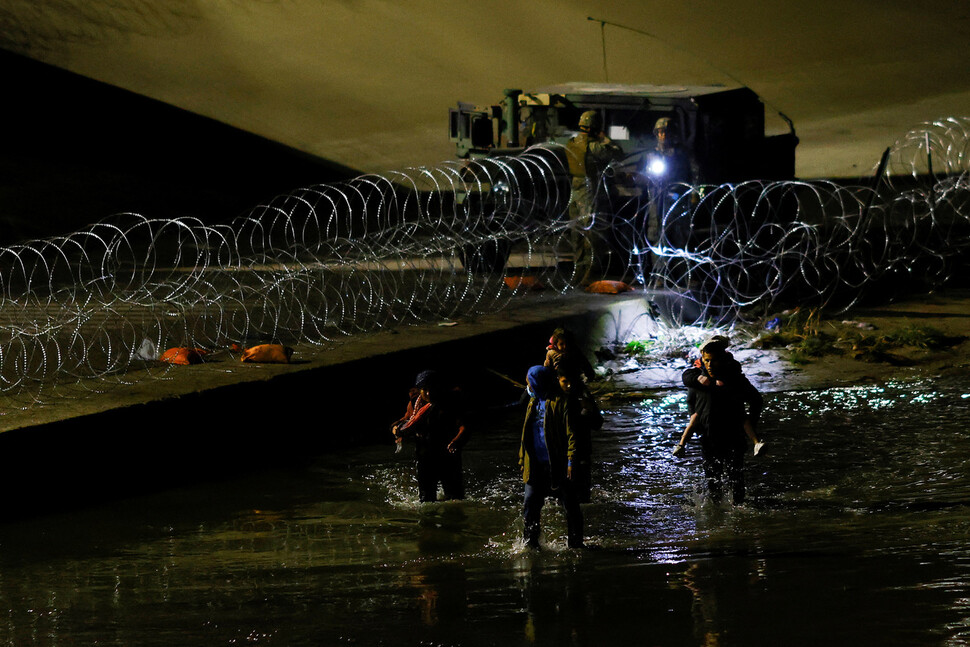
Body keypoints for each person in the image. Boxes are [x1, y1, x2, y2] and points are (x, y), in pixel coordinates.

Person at [681, 336, 764, 505]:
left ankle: (739, 512)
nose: (710, 365)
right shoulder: (699, 378)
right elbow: (690, 398)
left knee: (736, 477)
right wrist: (695, 419)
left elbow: (756, 400)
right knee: (713, 479)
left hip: (733, 435)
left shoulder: (736, 380)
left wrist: (750, 424)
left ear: (723, 359)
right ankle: (716, 513)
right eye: (707, 361)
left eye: (714, 361)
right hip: (709, 436)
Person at [519, 365, 584, 549]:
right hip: (535, 465)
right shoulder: (532, 403)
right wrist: (522, 460)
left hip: (559, 464)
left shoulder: (562, 402)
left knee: (570, 506)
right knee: (530, 506)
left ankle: (576, 545)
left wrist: (571, 461)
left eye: (529, 383)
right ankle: (531, 545)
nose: (528, 387)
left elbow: (572, 434)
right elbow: (526, 434)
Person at [565, 110, 623, 284]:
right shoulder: (595, 146)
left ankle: (579, 268)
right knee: (592, 233)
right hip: (590, 191)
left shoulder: (572, 143)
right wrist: (605, 138)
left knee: (577, 233)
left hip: (574, 190)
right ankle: (591, 270)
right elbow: (618, 154)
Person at [392, 370, 468, 502]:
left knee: (456, 498)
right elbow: (403, 421)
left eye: (432, 388)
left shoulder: (451, 402)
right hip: (425, 457)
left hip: (448, 456)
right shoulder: (415, 404)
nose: (429, 393)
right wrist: (396, 430)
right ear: (419, 390)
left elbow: (464, 426)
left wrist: (456, 441)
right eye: (424, 390)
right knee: (426, 500)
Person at [558, 372, 602, 504]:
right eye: (565, 381)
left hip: (582, 452)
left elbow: (597, 423)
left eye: (571, 381)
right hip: (561, 454)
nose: (569, 385)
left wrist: (588, 410)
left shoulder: (582, 397)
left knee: (583, 496)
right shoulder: (553, 401)